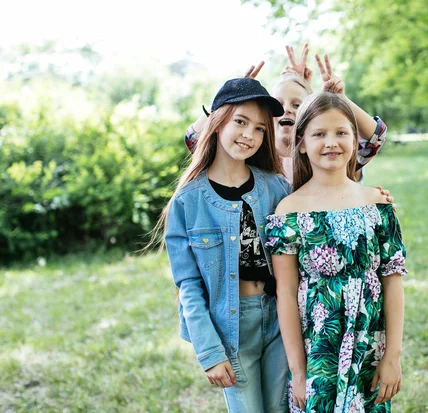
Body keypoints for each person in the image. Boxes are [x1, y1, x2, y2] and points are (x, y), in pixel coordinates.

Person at [265, 92, 406, 412]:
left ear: (356, 141)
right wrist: (299, 373)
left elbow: (392, 282)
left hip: (368, 350)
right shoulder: (288, 211)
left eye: (341, 132)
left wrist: (392, 356)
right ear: (301, 143)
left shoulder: (377, 203)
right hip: (318, 352)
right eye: (319, 134)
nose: (331, 142)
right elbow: (285, 293)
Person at [158, 77, 291, 412]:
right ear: (217, 123)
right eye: (240, 122)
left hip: (280, 319)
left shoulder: (277, 188)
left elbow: (320, 207)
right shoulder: (188, 201)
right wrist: (210, 353)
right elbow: (188, 285)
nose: (249, 135)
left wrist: (366, 197)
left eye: (260, 128)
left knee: (282, 408)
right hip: (230, 329)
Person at [185, 44, 387, 184]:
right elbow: (194, 140)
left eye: (297, 104)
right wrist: (228, 99)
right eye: (279, 104)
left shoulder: (322, 157)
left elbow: (374, 140)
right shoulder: (253, 153)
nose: (288, 109)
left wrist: (340, 99)